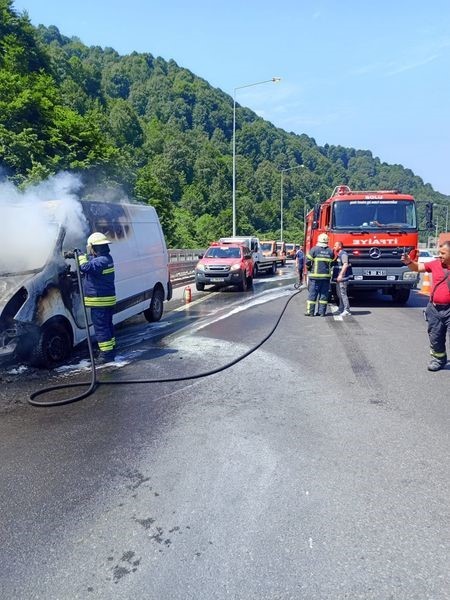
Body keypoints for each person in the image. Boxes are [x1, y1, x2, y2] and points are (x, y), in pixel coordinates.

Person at [66, 232, 117, 364]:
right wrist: (77, 255)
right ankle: (110, 350)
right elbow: (91, 261)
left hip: (99, 301)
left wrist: (81, 257)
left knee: (101, 328)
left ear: (94, 247)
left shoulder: (101, 261)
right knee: (107, 326)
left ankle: (106, 355)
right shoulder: (107, 258)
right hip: (106, 300)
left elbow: (85, 267)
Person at [402, 241, 450, 371]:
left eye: (443, 253)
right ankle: (438, 359)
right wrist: (408, 262)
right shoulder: (435, 264)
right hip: (434, 309)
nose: (439, 256)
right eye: (439, 253)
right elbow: (417, 268)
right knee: (435, 336)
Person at [305, 233, 334, 316]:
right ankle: (321, 312)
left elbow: (308, 262)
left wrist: (309, 269)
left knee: (312, 295)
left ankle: (310, 312)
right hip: (326, 277)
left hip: (315, 277)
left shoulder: (314, 249)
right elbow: (332, 263)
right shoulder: (330, 251)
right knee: (324, 296)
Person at [332, 241, 352, 316]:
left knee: (343, 294)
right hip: (339, 278)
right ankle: (341, 308)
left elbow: (345, 264)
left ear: (340, 246)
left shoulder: (343, 254)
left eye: (335, 246)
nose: (334, 247)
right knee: (339, 294)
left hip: (342, 279)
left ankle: (347, 310)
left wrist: (341, 275)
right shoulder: (339, 254)